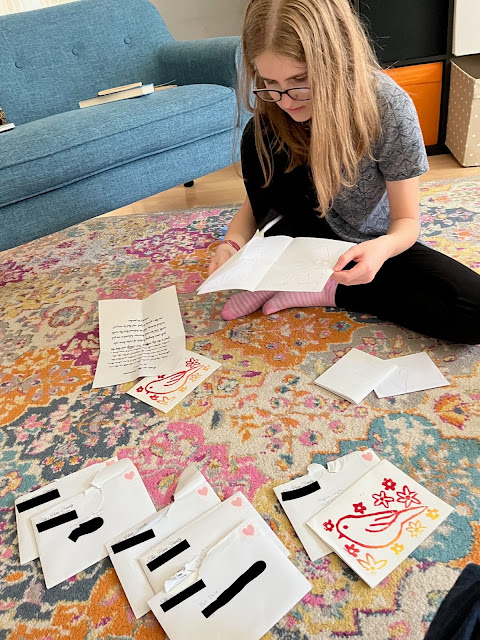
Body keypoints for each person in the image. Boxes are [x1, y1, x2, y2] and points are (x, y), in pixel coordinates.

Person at [207, 0, 480, 344]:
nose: (286, 101)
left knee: (474, 312)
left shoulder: (388, 108)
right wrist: (232, 243)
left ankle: (323, 287)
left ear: (337, 60)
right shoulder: (273, 113)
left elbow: (407, 223)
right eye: (269, 82)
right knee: (257, 132)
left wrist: (382, 249)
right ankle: (285, 273)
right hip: (297, 240)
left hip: (366, 242)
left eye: (300, 80)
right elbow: (258, 203)